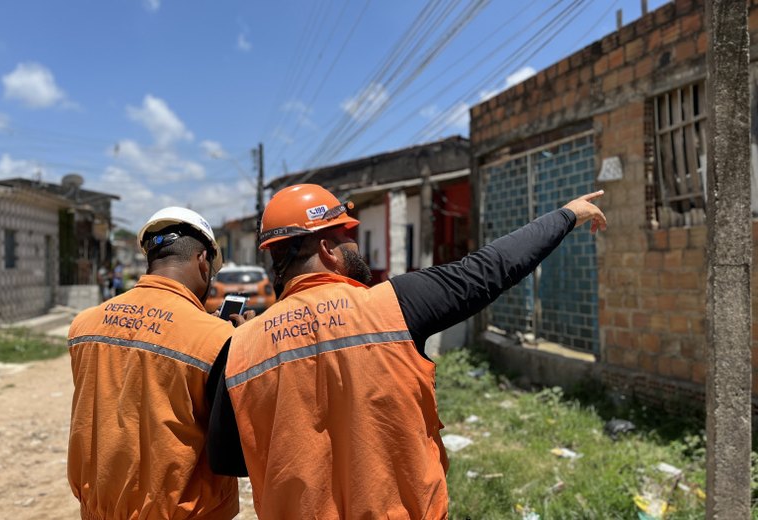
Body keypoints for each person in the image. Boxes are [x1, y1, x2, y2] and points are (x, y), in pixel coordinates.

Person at [206, 184, 607, 518]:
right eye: (348, 238)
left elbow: (229, 460)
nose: (355, 247)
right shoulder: (395, 305)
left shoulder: (241, 345)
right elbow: (490, 269)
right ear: (328, 249)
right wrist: (567, 215)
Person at [67, 207, 244, 520]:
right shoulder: (217, 338)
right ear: (203, 261)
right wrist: (243, 348)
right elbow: (233, 452)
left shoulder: (84, 325)